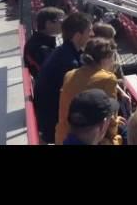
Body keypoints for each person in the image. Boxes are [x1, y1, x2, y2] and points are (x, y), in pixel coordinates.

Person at [34, 12, 93, 144]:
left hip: (49, 118)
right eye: (89, 31)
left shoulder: (64, 51)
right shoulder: (68, 63)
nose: (92, 34)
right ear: (78, 35)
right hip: (52, 126)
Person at [55, 38, 123, 145]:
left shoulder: (69, 74)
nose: (113, 62)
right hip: (89, 138)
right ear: (105, 59)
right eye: (112, 58)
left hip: (63, 136)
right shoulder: (108, 79)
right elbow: (110, 120)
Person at [23, 7, 64, 79]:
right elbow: (54, 73)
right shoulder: (39, 48)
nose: (63, 25)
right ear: (48, 24)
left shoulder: (39, 41)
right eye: (61, 22)